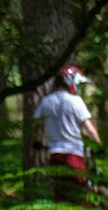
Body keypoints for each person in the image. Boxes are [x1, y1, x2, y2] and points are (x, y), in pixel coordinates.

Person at [32, 65, 100, 200]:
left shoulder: (46, 101)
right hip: (73, 154)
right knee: (80, 194)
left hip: (55, 155)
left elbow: (35, 126)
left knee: (61, 195)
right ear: (71, 82)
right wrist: (99, 145)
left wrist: (37, 142)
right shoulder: (75, 101)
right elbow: (90, 128)